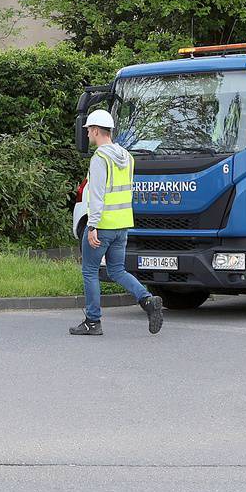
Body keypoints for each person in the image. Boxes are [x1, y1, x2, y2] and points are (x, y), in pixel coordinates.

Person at [73, 109, 166, 337]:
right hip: (122, 225)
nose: (87, 135)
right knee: (117, 269)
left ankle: (92, 322)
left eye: (88, 131)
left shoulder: (100, 159)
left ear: (95, 130)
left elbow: (97, 195)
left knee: (90, 271)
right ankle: (146, 300)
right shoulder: (127, 157)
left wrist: (92, 226)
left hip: (102, 225)